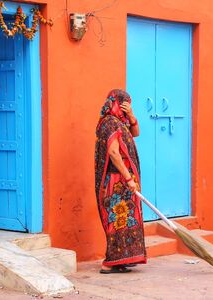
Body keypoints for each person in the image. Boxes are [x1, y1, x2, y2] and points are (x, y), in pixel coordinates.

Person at [94, 89, 147, 274]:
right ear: (116, 103)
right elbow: (114, 153)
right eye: (125, 104)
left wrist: (132, 115)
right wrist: (127, 178)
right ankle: (109, 263)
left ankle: (120, 261)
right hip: (116, 181)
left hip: (124, 181)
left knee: (126, 221)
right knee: (116, 221)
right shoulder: (109, 123)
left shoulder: (121, 122)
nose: (127, 108)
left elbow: (136, 133)